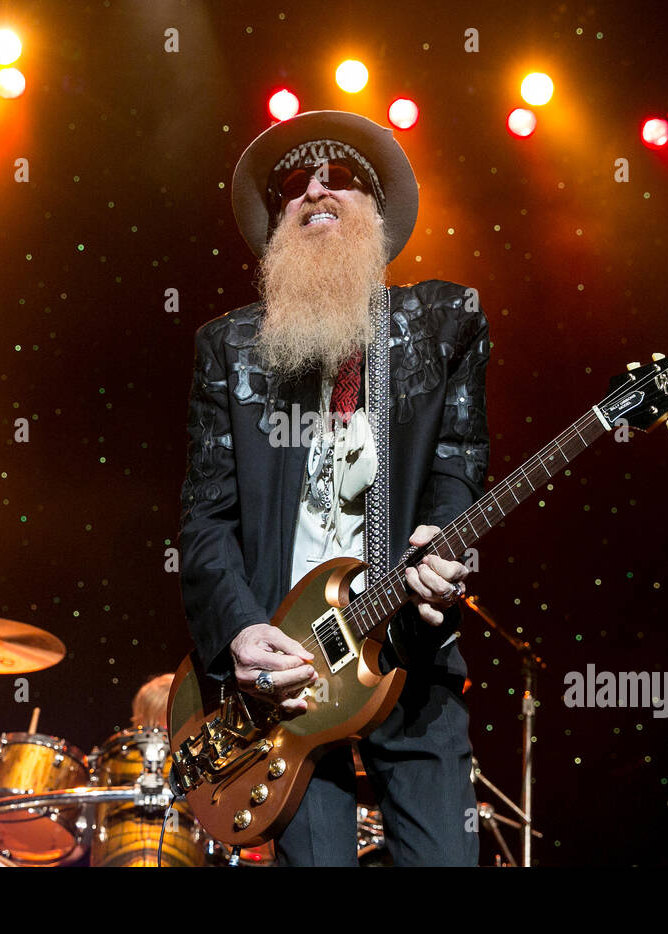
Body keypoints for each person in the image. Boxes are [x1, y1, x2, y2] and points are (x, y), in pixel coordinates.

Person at [178, 110, 490, 866]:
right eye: (294, 184)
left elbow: (457, 463)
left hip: (405, 657)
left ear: (376, 211)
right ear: (278, 220)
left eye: (342, 177)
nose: (317, 191)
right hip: (286, 682)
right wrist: (241, 632)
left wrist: (443, 552)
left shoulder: (445, 321)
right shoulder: (232, 347)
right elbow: (205, 518)